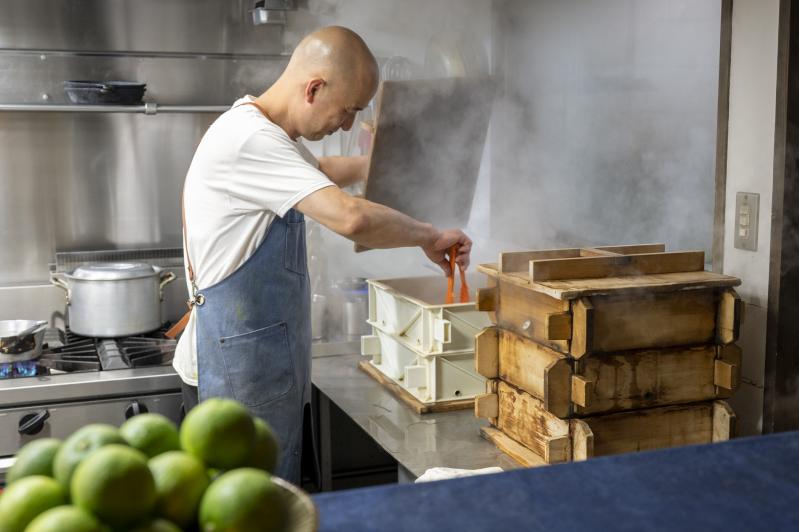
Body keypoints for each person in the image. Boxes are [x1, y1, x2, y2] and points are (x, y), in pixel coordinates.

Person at [173, 26, 472, 483]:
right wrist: (427, 236)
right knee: (250, 513)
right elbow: (349, 216)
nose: (348, 125)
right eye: (348, 110)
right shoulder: (249, 140)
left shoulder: (267, 132)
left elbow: (327, 171)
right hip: (233, 377)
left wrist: (394, 160)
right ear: (314, 88)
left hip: (257, 365)